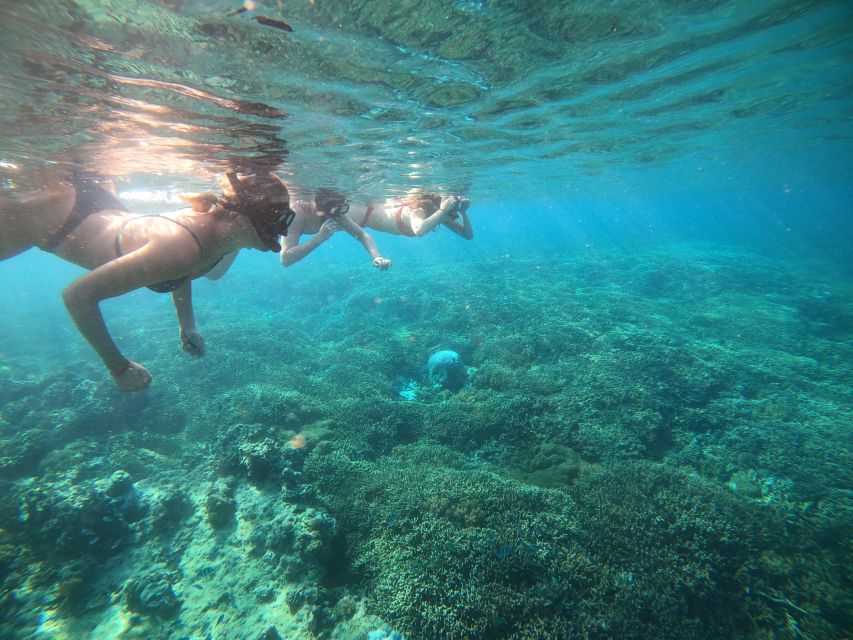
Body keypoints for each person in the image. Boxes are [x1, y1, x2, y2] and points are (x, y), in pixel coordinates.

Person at [0, 168, 296, 392]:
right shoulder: (183, 247)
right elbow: (77, 296)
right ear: (240, 215)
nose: (282, 232)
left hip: (91, 204)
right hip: (45, 220)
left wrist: (187, 323)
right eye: (277, 219)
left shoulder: (210, 235)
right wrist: (119, 368)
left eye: (286, 219)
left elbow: (178, 270)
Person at [280, 187, 392, 269]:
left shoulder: (335, 210)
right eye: (325, 214)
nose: (331, 218)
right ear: (315, 207)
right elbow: (285, 259)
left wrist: (376, 256)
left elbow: (362, 235)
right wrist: (319, 238)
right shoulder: (296, 214)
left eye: (334, 213)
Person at [349, 191, 474, 240]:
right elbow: (419, 230)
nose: (454, 212)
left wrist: (464, 212)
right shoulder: (418, 209)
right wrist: (442, 210)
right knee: (332, 216)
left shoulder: (440, 215)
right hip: (363, 213)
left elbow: (467, 235)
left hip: (365, 219)